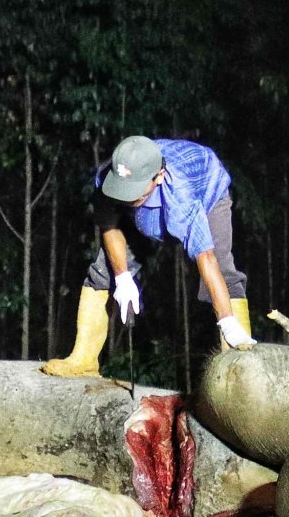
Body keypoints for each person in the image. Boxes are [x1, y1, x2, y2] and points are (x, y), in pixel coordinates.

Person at [42, 135, 256, 378]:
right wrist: (122, 278)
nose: (125, 197)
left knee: (224, 274)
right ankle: (83, 359)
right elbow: (109, 227)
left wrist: (227, 321)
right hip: (146, 213)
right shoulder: (109, 180)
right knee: (104, 270)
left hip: (208, 195)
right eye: (121, 190)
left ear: (159, 177)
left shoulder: (182, 198)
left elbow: (206, 259)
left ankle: (239, 370)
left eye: (132, 192)